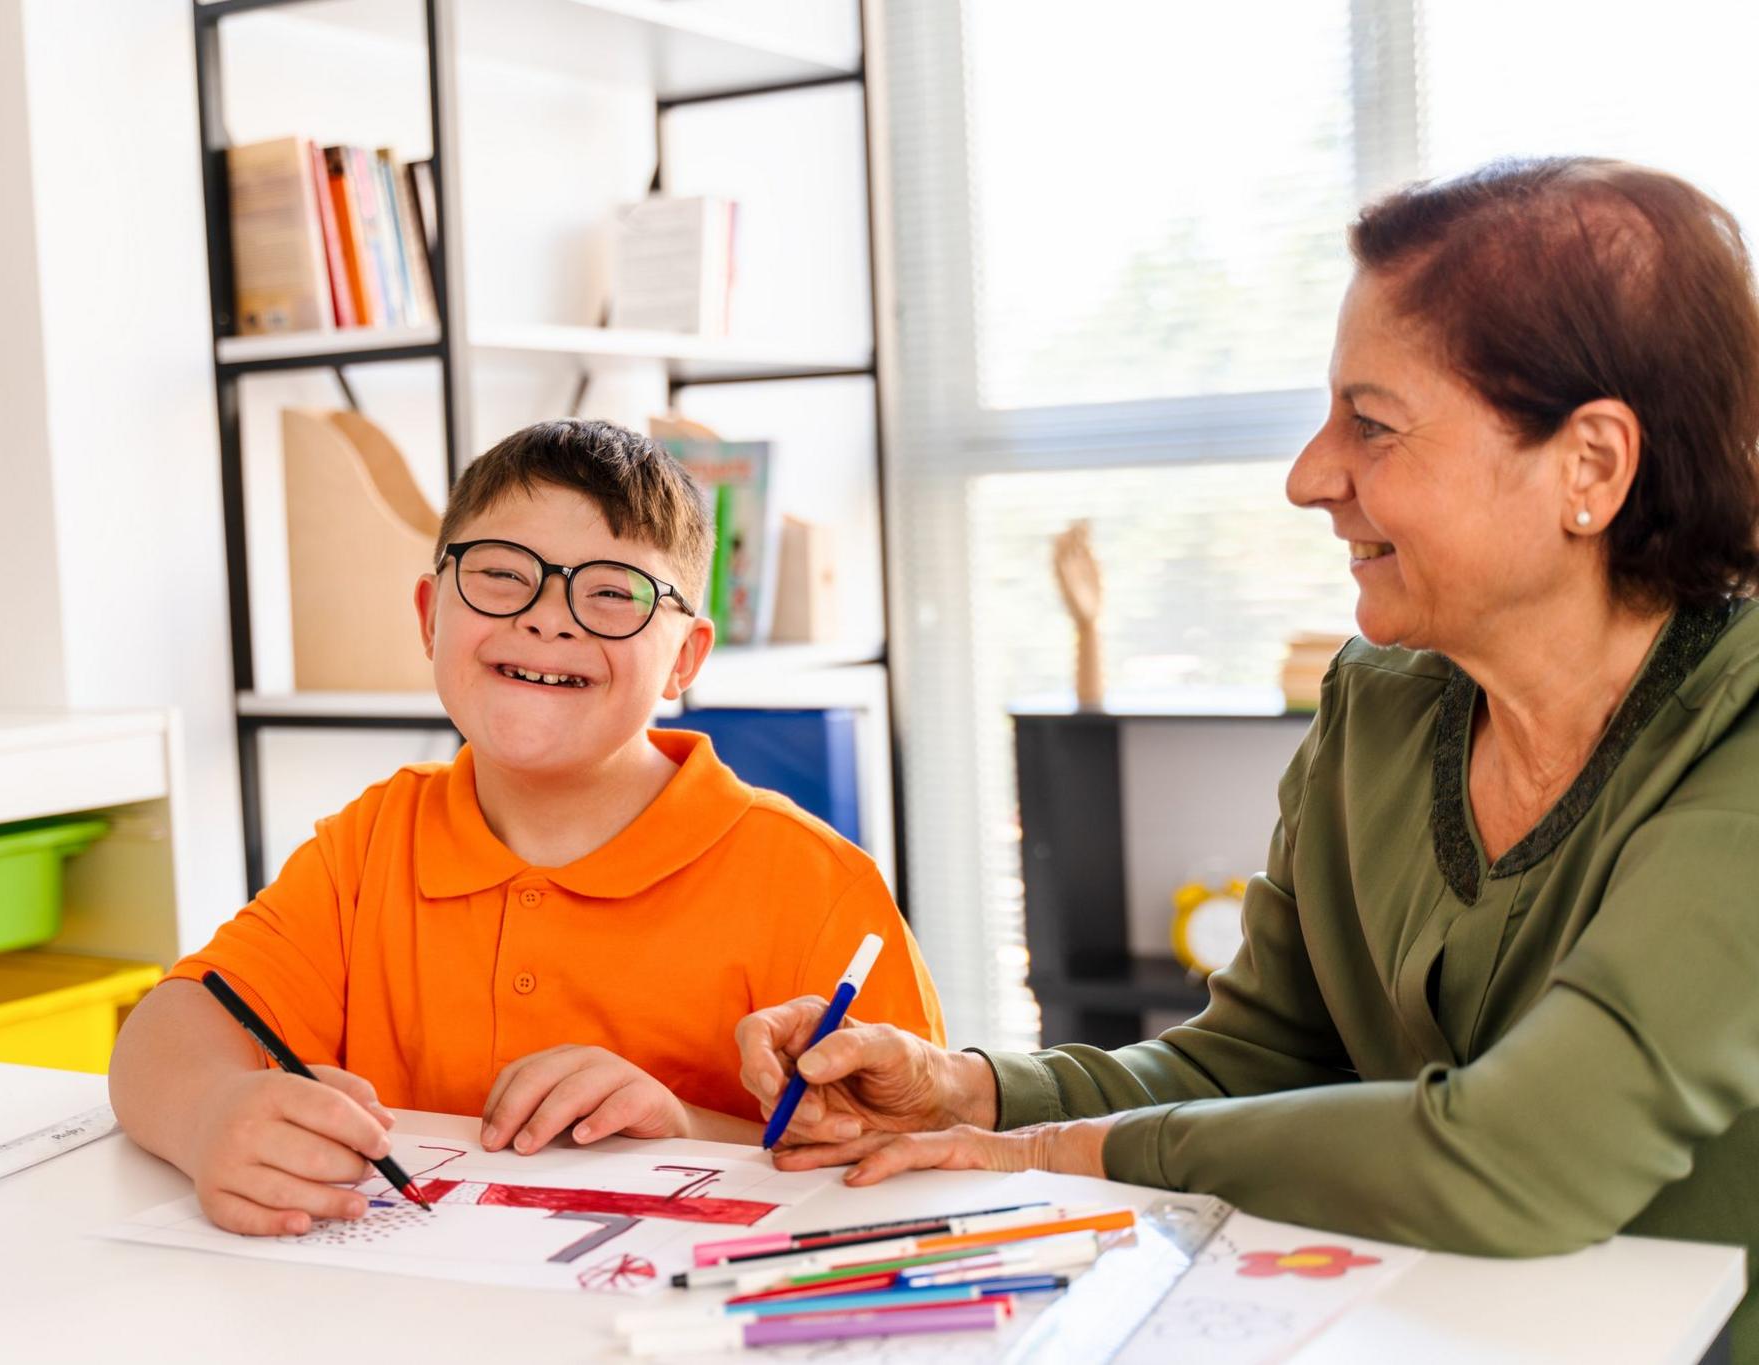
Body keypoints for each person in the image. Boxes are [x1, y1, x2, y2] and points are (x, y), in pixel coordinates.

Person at [736, 158, 1759, 1359]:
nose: (1306, 476)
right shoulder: (1379, 709)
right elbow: (1250, 1062)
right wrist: (974, 1094)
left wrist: (1071, 1152)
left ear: (1587, 465)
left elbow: (1516, 1158)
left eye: (1370, 425)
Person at [112, 418, 943, 1236]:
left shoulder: (815, 885)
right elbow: (168, 1029)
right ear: (431, 615)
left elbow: (920, 1159)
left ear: (685, 659)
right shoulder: (369, 843)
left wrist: (686, 1129)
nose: (549, 618)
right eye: (504, 575)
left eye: (614, 591)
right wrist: (211, 1113)